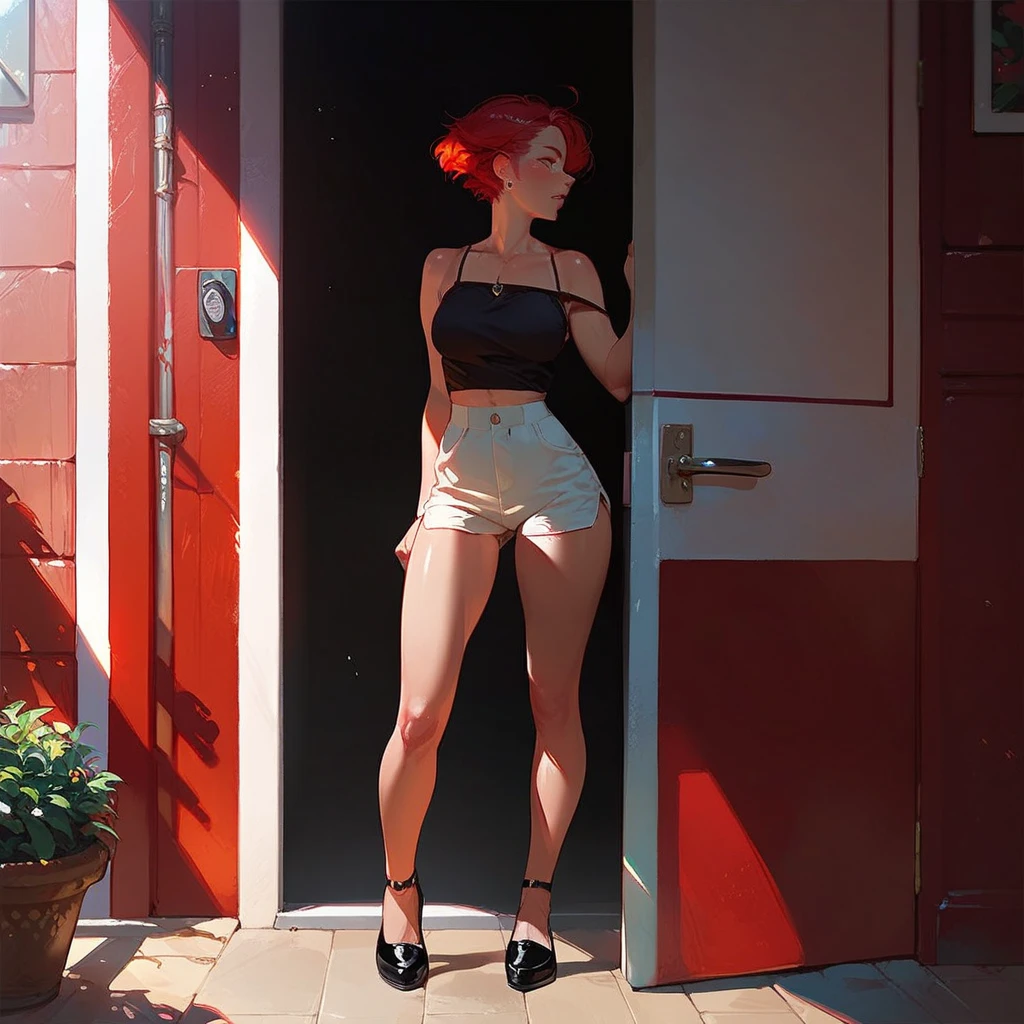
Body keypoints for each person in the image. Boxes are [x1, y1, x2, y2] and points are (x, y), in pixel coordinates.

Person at [376, 92, 633, 994]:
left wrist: (652, 288)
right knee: (419, 713)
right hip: (460, 479)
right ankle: (400, 895)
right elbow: (436, 397)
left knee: (552, 701)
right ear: (501, 166)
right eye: (550, 160)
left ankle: (535, 904)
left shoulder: (574, 268)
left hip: (553, 480)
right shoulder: (442, 267)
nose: (567, 179)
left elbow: (618, 376)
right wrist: (422, 502)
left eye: (569, 163)